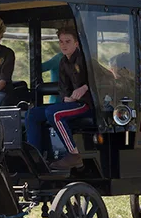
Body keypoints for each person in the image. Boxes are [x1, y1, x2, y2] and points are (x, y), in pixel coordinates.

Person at [25, 26, 92, 170]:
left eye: (68, 41)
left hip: (87, 104)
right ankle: (35, 157)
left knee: (53, 114)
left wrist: (85, 87)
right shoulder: (63, 62)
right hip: (72, 103)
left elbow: (103, 79)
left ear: (76, 43)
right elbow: (63, 87)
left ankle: (73, 154)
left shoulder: (86, 59)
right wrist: (66, 98)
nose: (63, 45)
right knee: (32, 114)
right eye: (61, 42)